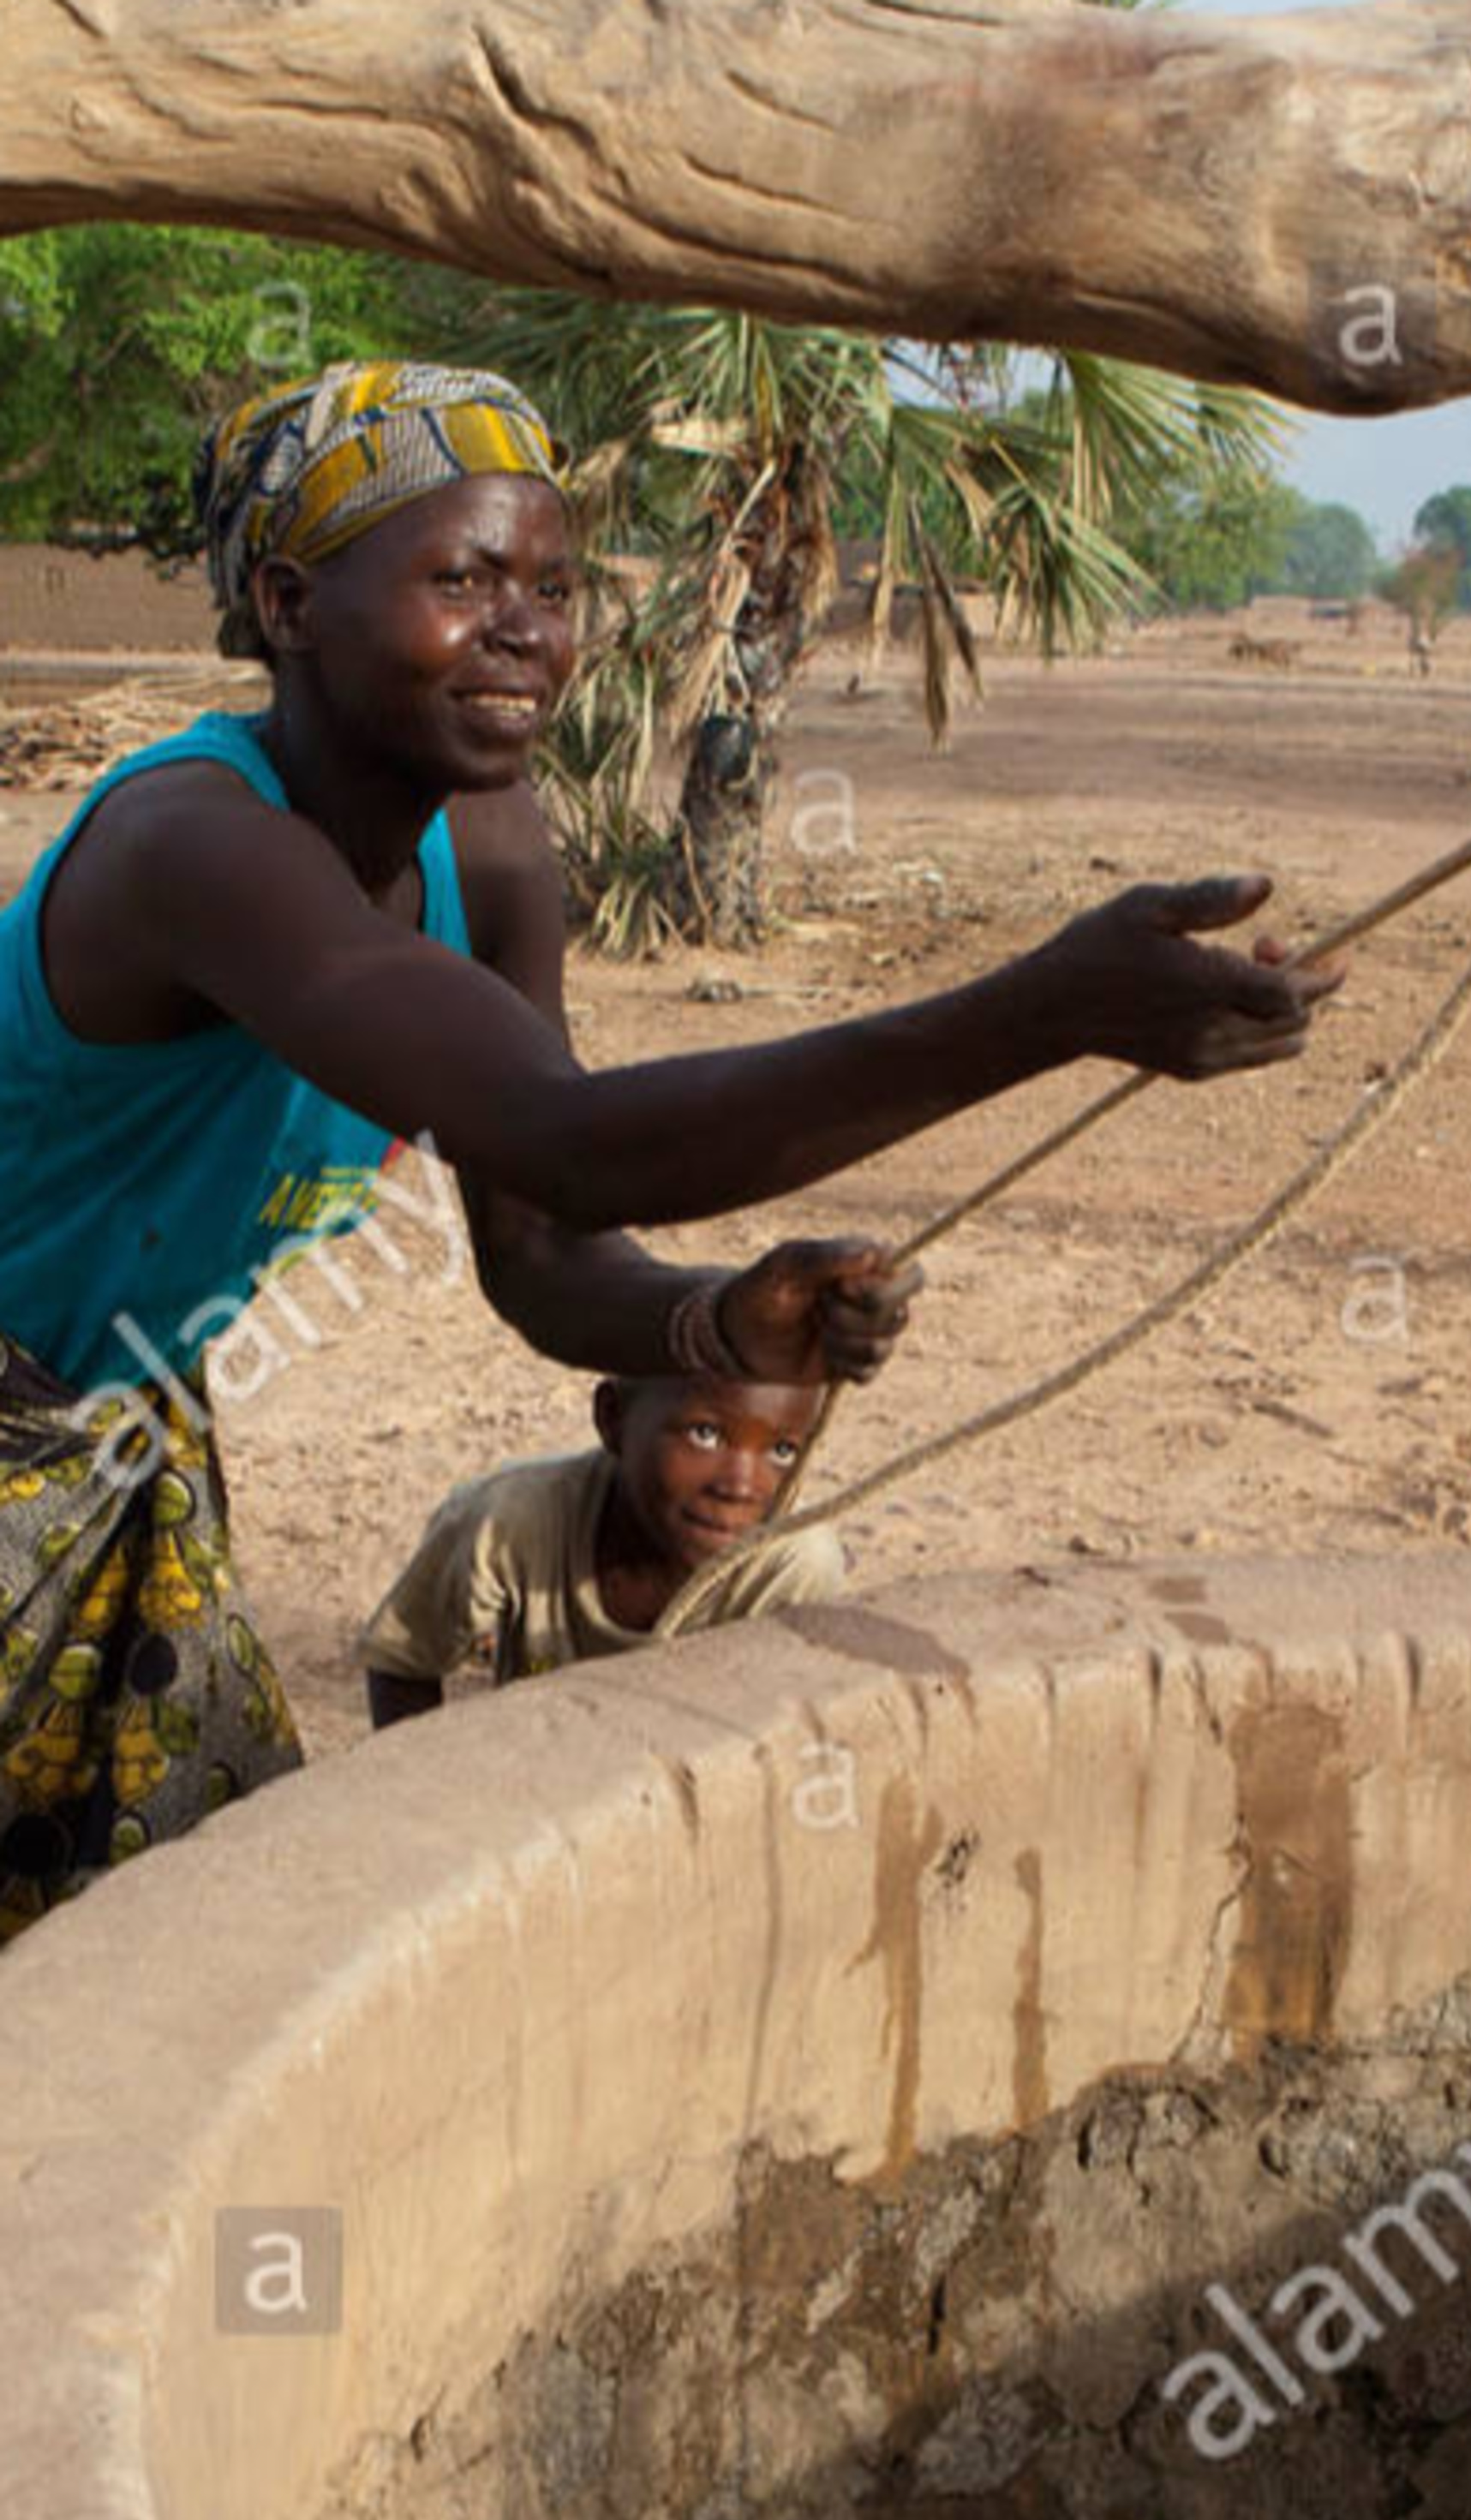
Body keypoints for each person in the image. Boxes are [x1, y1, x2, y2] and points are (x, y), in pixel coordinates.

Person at [0, 361, 1341, 1944]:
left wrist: (717, 1323)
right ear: (291, 602)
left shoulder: (483, 847)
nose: (531, 629)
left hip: (110, 1443)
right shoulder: (195, 848)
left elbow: (546, 1251)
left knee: (140, 1967)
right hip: (49, 1429)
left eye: (557, 586)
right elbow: (571, 1144)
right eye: (463, 579)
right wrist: (1043, 1014)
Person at [362, 1373, 838, 1724]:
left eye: (781, 1452)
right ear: (612, 1418)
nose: (739, 1486)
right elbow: (403, 1659)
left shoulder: (792, 1566)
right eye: (705, 1434)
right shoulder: (508, 1522)